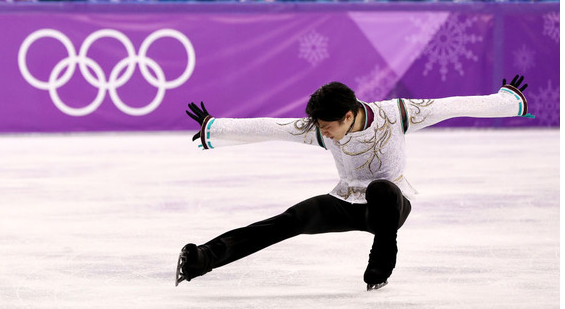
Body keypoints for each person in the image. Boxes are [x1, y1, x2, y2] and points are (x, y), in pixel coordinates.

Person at [176, 76, 533, 291]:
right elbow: (272, 127)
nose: (323, 132)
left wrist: (507, 102)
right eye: (319, 126)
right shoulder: (321, 127)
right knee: (290, 219)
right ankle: (203, 258)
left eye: (329, 126)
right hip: (345, 202)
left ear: (348, 116)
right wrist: (215, 127)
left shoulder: (398, 114)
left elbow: (451, 105)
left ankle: (382, 259)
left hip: (391, 204)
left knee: (381, 189)